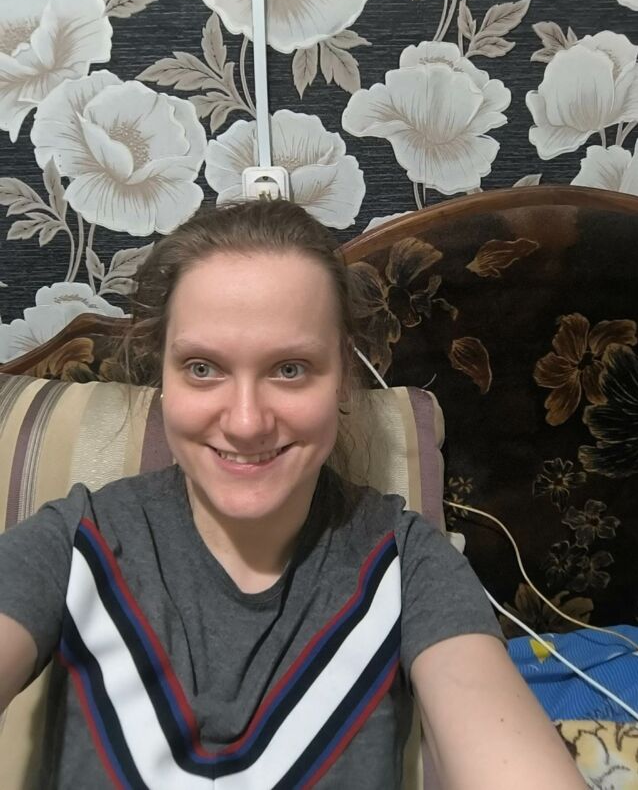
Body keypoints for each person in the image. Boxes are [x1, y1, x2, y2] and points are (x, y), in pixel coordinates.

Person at [0, 200, 585, 789]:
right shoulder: (71, 544)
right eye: (202, 368)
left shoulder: (409, 566)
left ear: (343, 376)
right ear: (163, 379)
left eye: (290, 369)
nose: (246, 423)